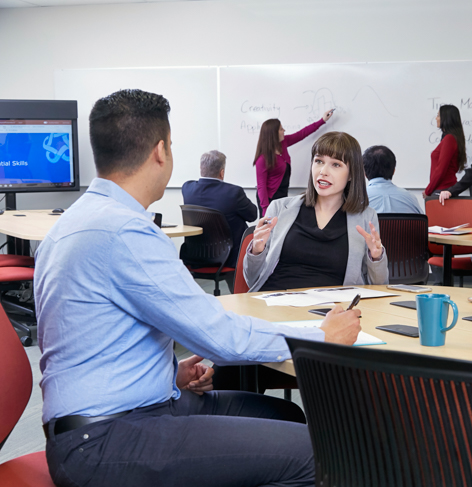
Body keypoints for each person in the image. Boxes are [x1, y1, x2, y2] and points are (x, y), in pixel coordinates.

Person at [35, 89, 362, 487]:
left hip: (117, 413)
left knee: (286, 416)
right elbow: (219, 336)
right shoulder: (125, 232)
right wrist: (320, 336)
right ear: (160, 151)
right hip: (106, 440)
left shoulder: (77, 220)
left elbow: (94, 336)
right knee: (324, 454)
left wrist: (170, 373)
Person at [244, 131, 389, 292]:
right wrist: (257, 251)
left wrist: (376, 258)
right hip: (274, 301)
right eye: (319, 161)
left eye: (336, 164)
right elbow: (252, 281)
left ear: (351, 174)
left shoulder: (366, 217)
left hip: (332, 308)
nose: (323, 171)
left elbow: (379, 287)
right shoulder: (279, 208)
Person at [182, 150, 257, 270]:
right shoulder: (233, 193)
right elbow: (252, 215)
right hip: (228, 257)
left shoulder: (187, 189)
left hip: (196, 255)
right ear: (222, 172)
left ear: (201, 168)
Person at [254, 110, 334, 216]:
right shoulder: (262, 159)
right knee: (269, 228)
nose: (284, 130)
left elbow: (302, 133)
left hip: (282, 194)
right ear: (274, 134)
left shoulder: (283, 143)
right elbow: (261, 186)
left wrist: (322, 120)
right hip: (269, 198)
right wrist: (265, 209)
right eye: (281, 129)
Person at [363, 145, 423, 214]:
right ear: (394, 171)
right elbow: (424, 223)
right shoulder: (410, 199)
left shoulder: (356, 201)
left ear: (365, 173)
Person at [423, 104, 466, 197]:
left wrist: (428, 190)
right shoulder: (451, 138)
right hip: (443, 189)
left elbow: (441, 169)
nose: (436, 118)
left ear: (446, 118)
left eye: (438, 115)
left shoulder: (449, 139)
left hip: (442, 190)